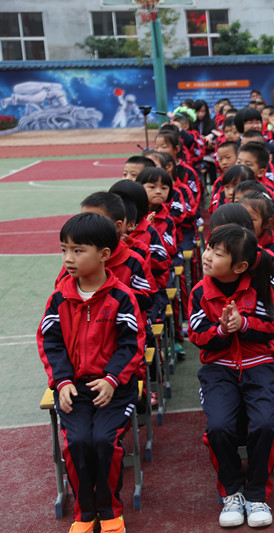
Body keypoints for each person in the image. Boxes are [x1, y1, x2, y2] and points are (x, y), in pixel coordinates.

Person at [37, 212, 145, 533]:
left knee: (104, 442)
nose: (68, 258)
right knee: (77, 443)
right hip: (73, 390)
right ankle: (85, 514)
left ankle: (110, 511)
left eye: (78, 250)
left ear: (104, 255)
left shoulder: (121, 298)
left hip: (114, 388)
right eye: (64, 250)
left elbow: (132, 344)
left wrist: (112, 379)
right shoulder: (59, 298)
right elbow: (50, 342)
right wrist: (63, 381)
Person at [189, 223, 274, 528]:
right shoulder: (200, 292)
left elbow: (273, 326)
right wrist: (220, 330)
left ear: (240, 266)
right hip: (219, 369)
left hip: (260, 367)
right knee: (218, 428)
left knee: (263, 426)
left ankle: (257, 495)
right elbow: (195, 334)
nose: (207, 256)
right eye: (208, 248)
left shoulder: (257, 286)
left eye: (217, 253)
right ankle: (232, 491)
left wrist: (243, 324)